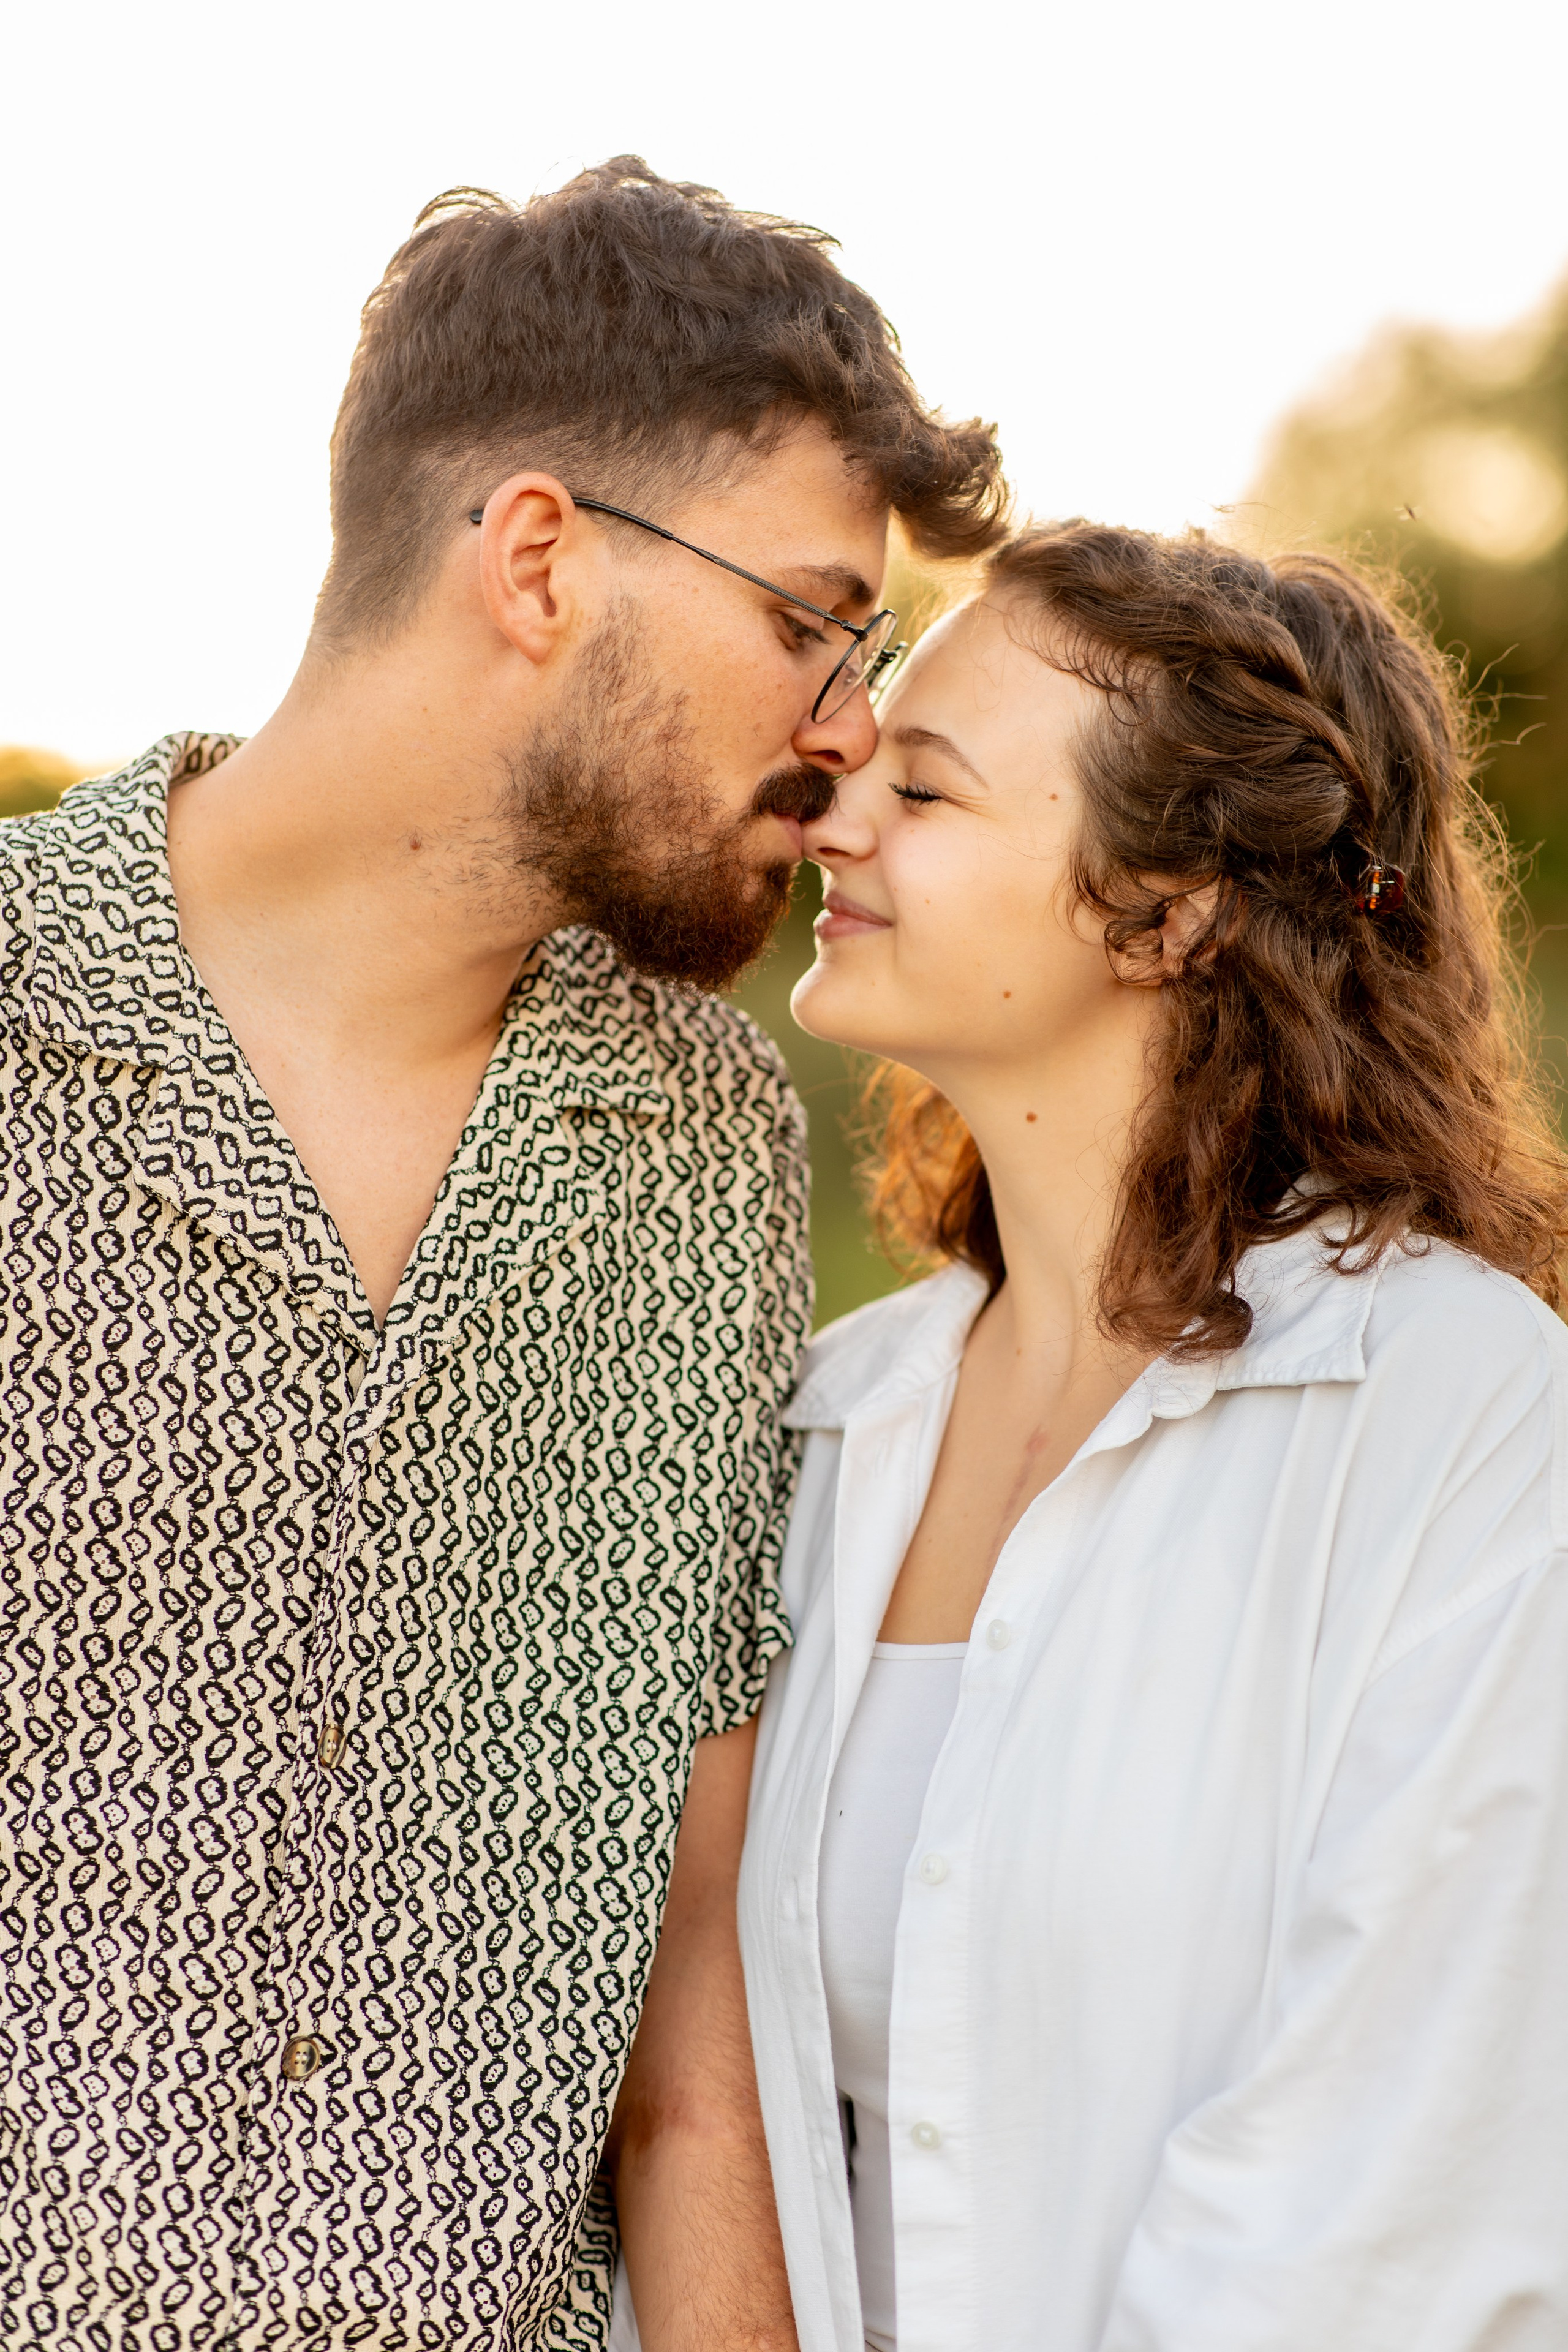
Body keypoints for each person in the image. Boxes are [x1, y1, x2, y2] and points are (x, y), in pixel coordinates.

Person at [0, 159, 1005, 2351]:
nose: (850, 737)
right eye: (818, 624)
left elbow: (692, 2002)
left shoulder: (713, 1153)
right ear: (542, 559)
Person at [739, 522, 1568, 2351]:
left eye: (928, 790)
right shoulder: (827, 1417)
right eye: (857, 763)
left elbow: (1389, 2205)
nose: (836, 818)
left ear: (1171, 906)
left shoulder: (1460, 1410)